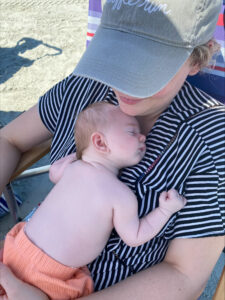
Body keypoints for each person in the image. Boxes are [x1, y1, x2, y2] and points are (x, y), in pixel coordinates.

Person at [0, 0, 224, 299]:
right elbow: (10, 140)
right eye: (116, 55)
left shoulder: (212, 137)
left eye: (150, 65)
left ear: (198, 59)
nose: (125, 81)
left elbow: (183, 274)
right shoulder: (85, 87)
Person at [1, 102, 186, 300]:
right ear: (100, 143)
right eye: (132, 132)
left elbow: (54, 172)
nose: (143, 136)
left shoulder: (73, 167)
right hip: (50, 279)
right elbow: (136, 236)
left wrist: (81, 153)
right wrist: (165, 210)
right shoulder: (120, 196)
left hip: (15, 248)